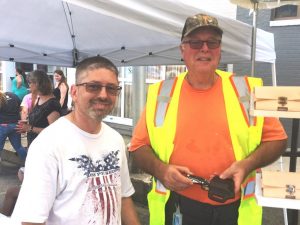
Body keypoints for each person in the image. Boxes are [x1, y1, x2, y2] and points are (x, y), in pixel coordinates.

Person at [129, 13, 288, 225]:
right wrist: (161, 170)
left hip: (235, 209)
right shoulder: (161, 94)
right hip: (179, 206)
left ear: (220, 50)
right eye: (195, 42)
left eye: (212, 42)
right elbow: (138, 147)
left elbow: (278, 140)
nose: (204, 48)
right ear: (182, 50)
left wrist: (246, 165)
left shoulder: (248, 91)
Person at [12, 56, 141, 225]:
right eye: (93, 86)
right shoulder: (48, 145)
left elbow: (123, 198)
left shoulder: (115, 140)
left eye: (111, 88)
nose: (103, 95)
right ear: (74, 92)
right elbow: (32, 220)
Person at [16, 70, 61, 146]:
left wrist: (30, 128)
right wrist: (26, 127)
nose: (29, 85)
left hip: (44, 148)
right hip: (34, 145)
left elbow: (54, 132)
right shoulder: (39, 99)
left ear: (37, 83)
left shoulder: (52, 104)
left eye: (30, 83)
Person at [0, 91, 27, 161]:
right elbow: (21, 108)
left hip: (3, 126)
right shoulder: (13, 95)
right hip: (16, 124)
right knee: (18, 147)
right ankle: (28, 163)